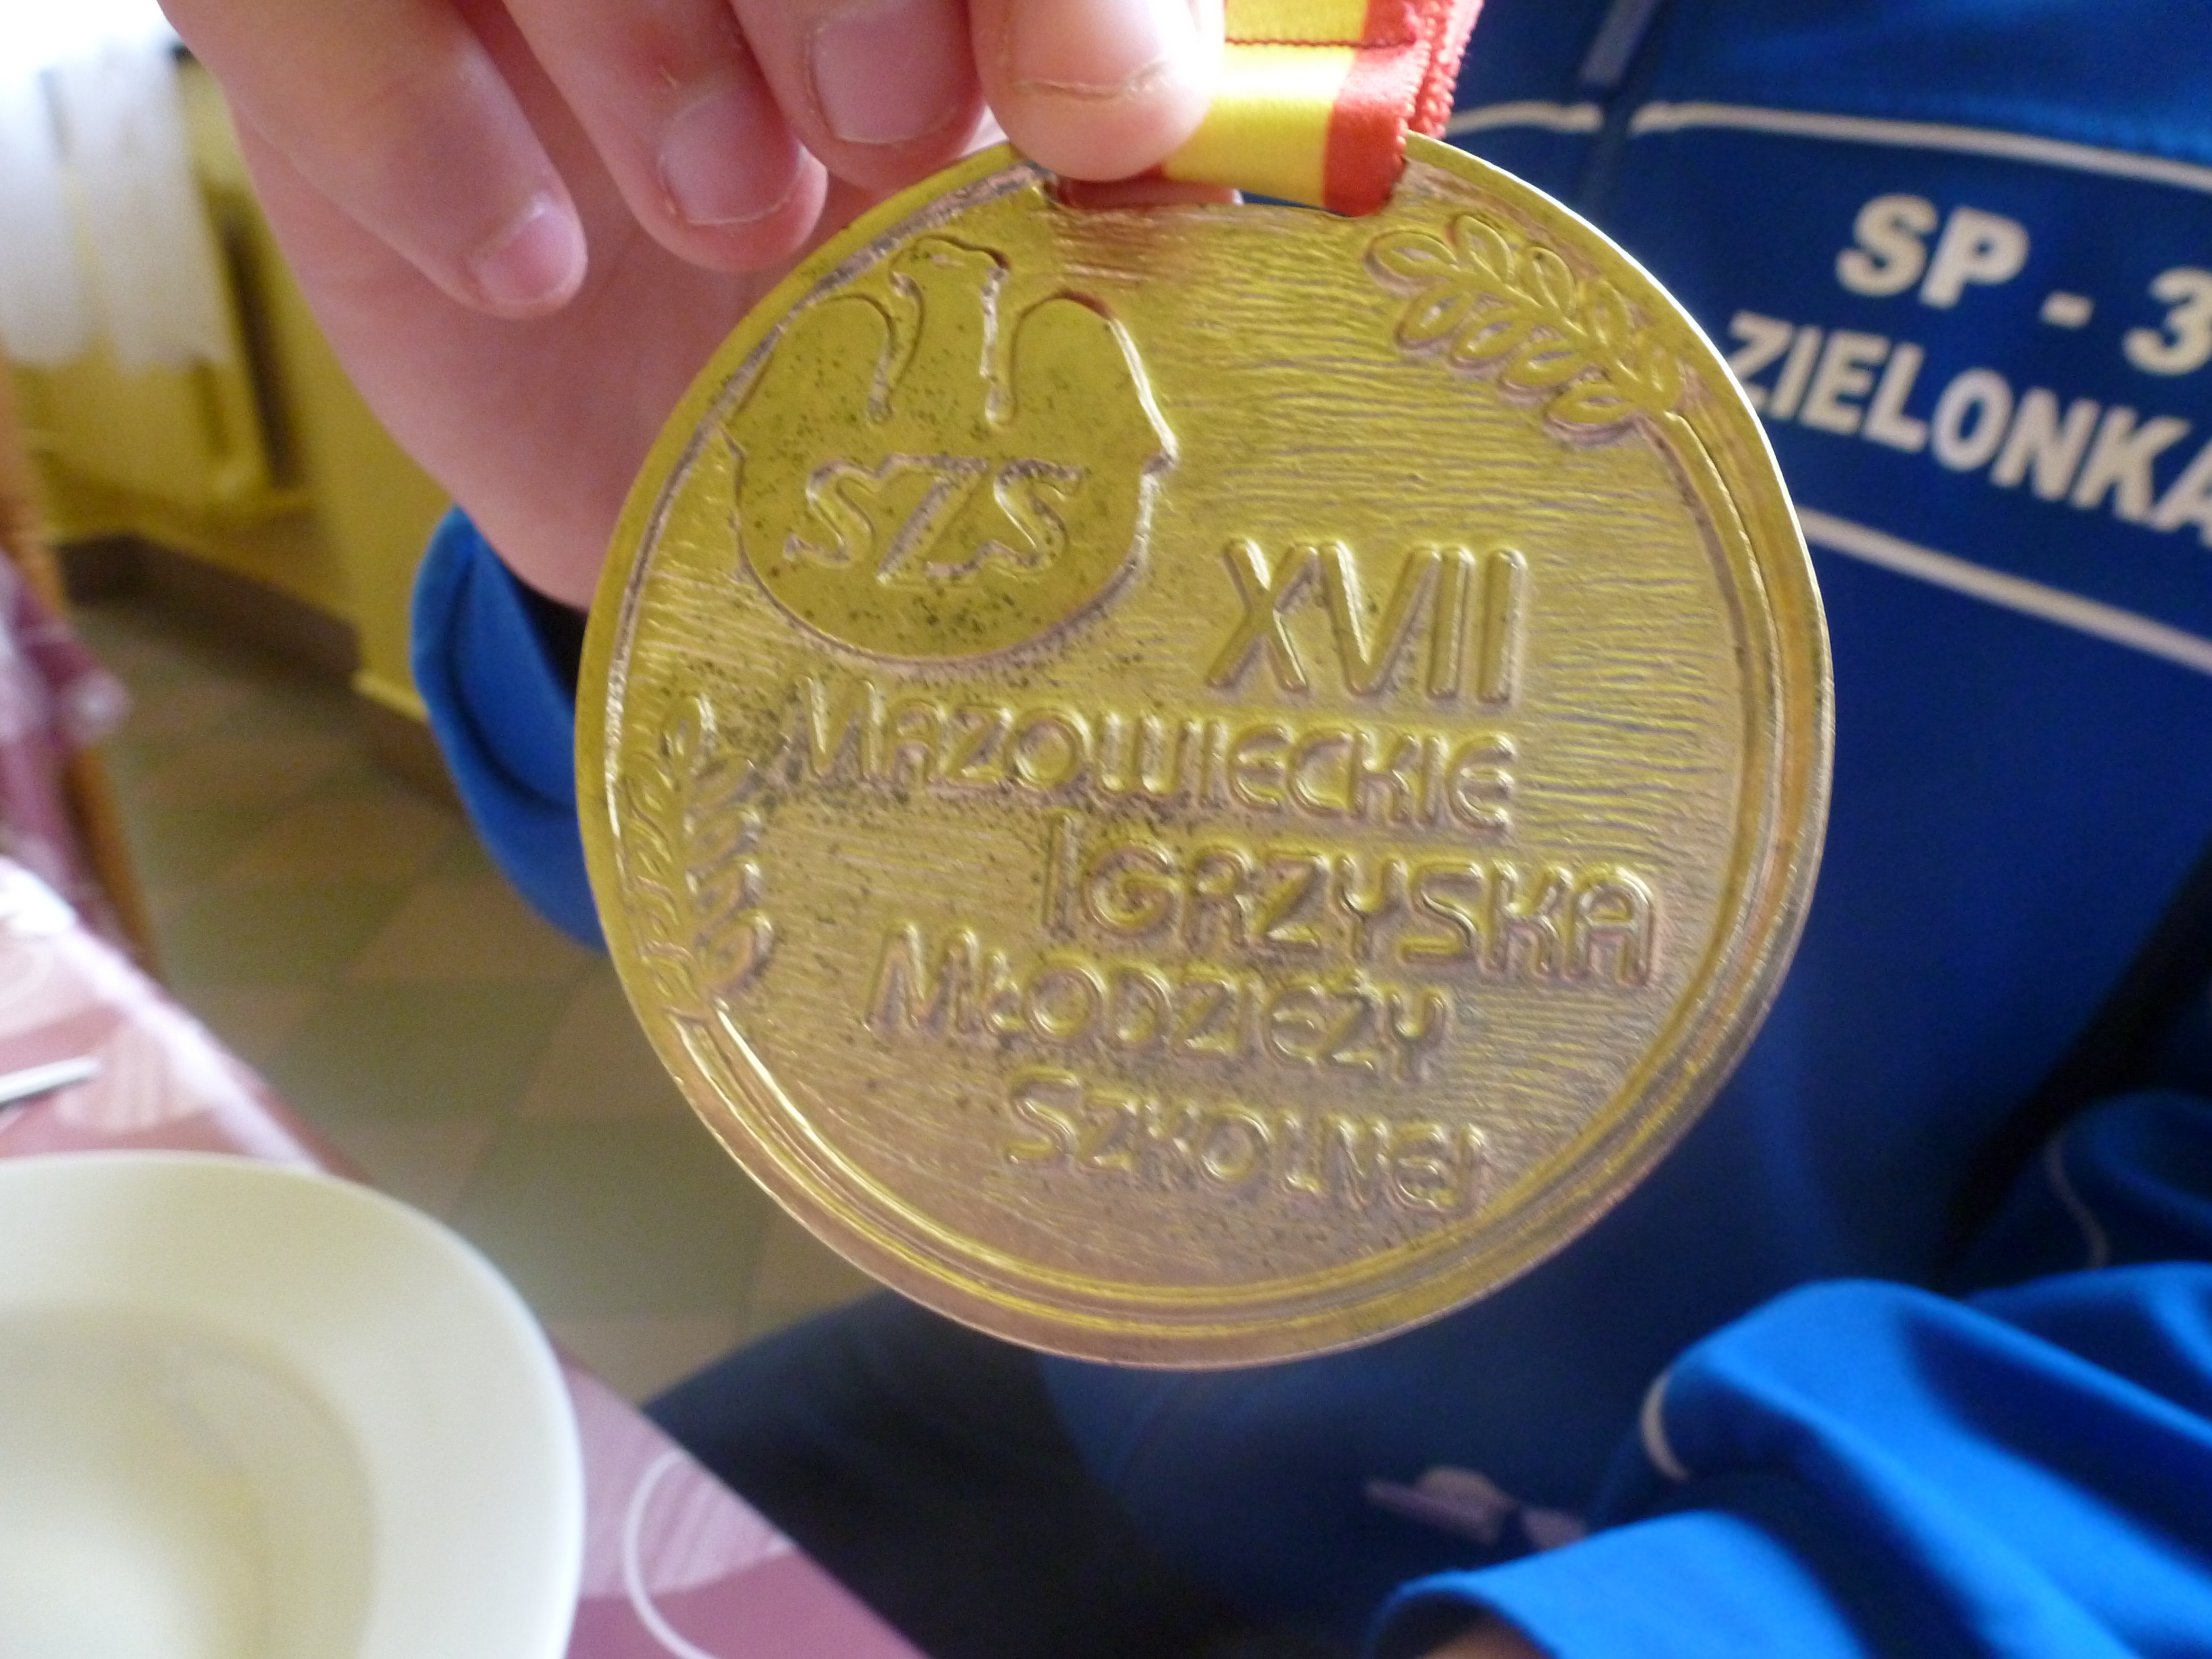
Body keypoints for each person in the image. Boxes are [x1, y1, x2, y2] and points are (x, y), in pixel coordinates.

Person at [161, 0, 2212, 1654]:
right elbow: (788, 927)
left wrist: (1753, 1617)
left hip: (1841, 1540)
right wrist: (681, 583)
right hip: (1093, 1402)